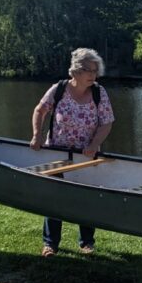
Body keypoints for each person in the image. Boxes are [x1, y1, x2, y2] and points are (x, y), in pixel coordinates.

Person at [30, 48, 114, 256]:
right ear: (75, 71)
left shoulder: (98, 92)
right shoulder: (58, 90)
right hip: (56, 154)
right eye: (88, 70)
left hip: (86, 156)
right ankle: (50, 244)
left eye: (95, 71)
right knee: (54, 198)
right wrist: (36, 135)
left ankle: (86, 243)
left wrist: (94, 144)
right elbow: (39, 110)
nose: (93, 75)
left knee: (85, 198)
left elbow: (107, 123)